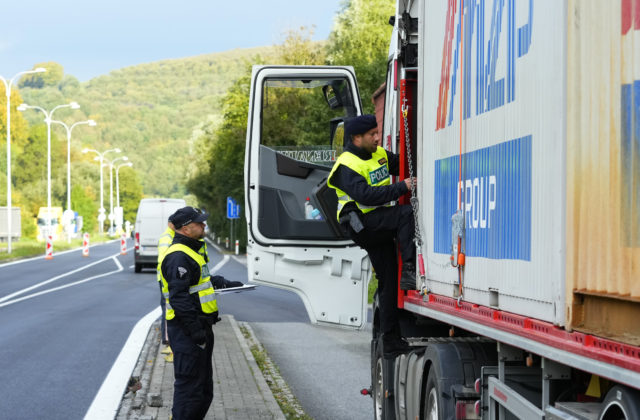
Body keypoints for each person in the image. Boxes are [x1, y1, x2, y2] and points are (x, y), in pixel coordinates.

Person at [327, 114, 416, 357]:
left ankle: (390, 341)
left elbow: (406, 164)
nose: (378, 138)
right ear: (356, 138)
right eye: (372, 135)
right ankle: (410, 270)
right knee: (405, 214)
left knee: (388, 281)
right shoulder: (346, 165)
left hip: (377, 221)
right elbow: (366, 195)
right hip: (360, 224)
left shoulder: (379, 154)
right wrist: (403, 187)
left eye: (377, 133)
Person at [160, 206, 243, 419]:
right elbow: (179, 298)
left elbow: (200, 282)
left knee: (203, 391)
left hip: (201, 328)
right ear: (186, 229)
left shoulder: (192, 251)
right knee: (190, 391)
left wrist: (222, 282)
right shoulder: (178, 256)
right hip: (188, 331)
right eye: (199, 223)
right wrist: (196, 331)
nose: (204, 225)